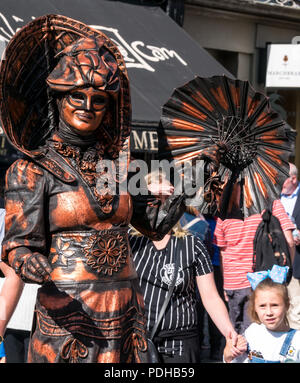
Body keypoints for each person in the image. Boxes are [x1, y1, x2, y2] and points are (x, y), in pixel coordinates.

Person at [0, 16, 187, 363]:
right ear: (57, 98)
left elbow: (153, 223)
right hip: (70, 319)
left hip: (127, 314)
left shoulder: (116, 166)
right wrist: (32, 263)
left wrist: (185, 186)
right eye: (77, 96)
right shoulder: (32, 170)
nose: (87, 107)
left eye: (98, 100)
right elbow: (16, 246)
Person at [129, 170, 239, 363]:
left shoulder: (192, 245)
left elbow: (211, 297)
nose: (158, 208)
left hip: (181, 344)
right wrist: (146, 190)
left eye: (165, 201)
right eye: (152, 200)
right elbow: (109, 204)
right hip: (139, 340)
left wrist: (229, 332)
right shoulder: (130, 243)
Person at [214, 199, 295, 334]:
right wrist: (284, 272)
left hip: (232, 281)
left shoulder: (225, 209)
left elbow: (223, 251)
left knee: (236, 335)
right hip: (262, 280)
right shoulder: (271, 202)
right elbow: (289, 241)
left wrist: (225, 283)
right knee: (260, 334)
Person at [224, 265, 300, 363]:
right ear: (255, 307)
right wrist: (228, 357)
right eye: (262, 306)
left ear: (287, 305)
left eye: (274, 305)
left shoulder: (297, 340)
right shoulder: (252, 333)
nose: (269, 312)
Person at [281, 162, 300, 330]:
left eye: (282, 176)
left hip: (297, 260)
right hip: (278, 259)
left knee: (295, 308)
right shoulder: (273, 194)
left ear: (293, 179)